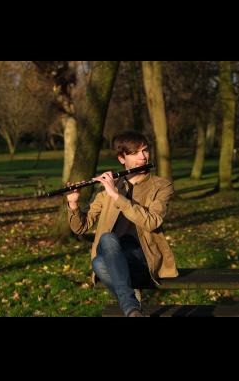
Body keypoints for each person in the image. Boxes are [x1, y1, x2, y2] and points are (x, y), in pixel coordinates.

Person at [66, 131, 178, 317]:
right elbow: (81, 227)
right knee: (107, 243)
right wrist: (73, 203)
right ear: (121, 158)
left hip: (142, 258)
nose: (142, 157)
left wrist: (117, 197)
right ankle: (133, 309)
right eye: (135, 153)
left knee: (99, 262)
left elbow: (152, 222)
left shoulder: (161, 186)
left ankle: (130, 305)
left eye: (145, 151)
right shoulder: (109, 187)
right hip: (113, 257)